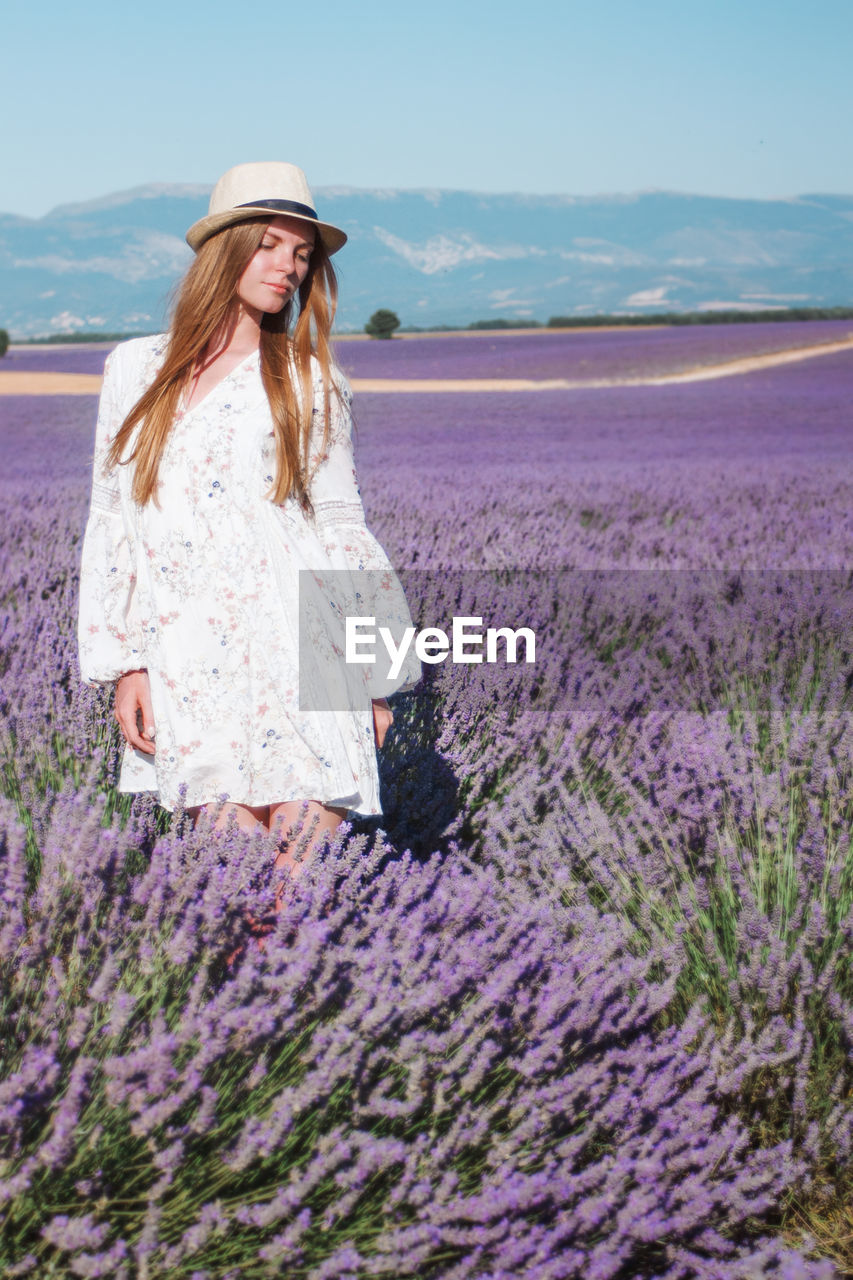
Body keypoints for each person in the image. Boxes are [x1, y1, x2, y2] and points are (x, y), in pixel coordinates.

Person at [77, 161, 420, 880]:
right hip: (189, 659)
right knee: (231, 893)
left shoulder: (306, 378)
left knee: (301, 890)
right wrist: (127, 663)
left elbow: (338, 525)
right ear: (224, 249)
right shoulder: (134, 371)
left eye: (301, 254)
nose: (288, 267)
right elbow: (112, 521)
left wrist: (374, 679)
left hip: (304, 652)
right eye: (270, 244)